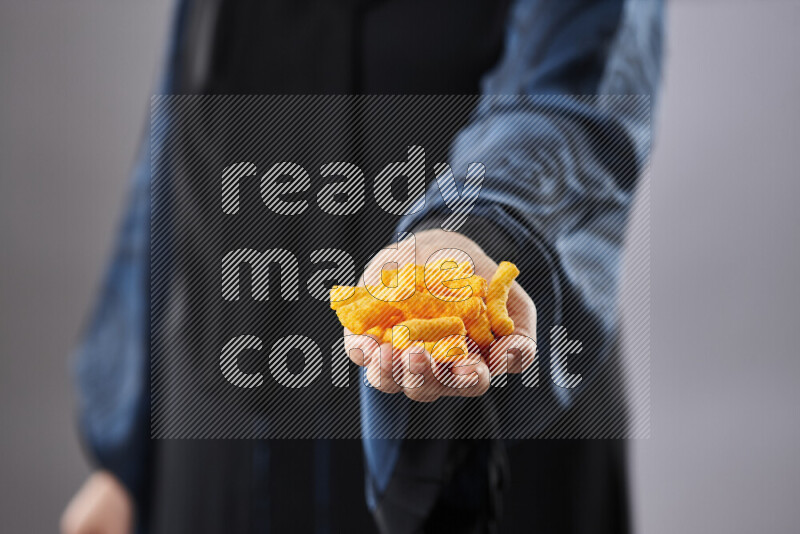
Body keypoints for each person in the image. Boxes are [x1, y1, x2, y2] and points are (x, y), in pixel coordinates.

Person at [62, 1, 664, 533]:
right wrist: (127, 454)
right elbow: (181, 132)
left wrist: (472, 232)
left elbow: (574, 94)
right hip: (221, 458)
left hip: (474, 438)